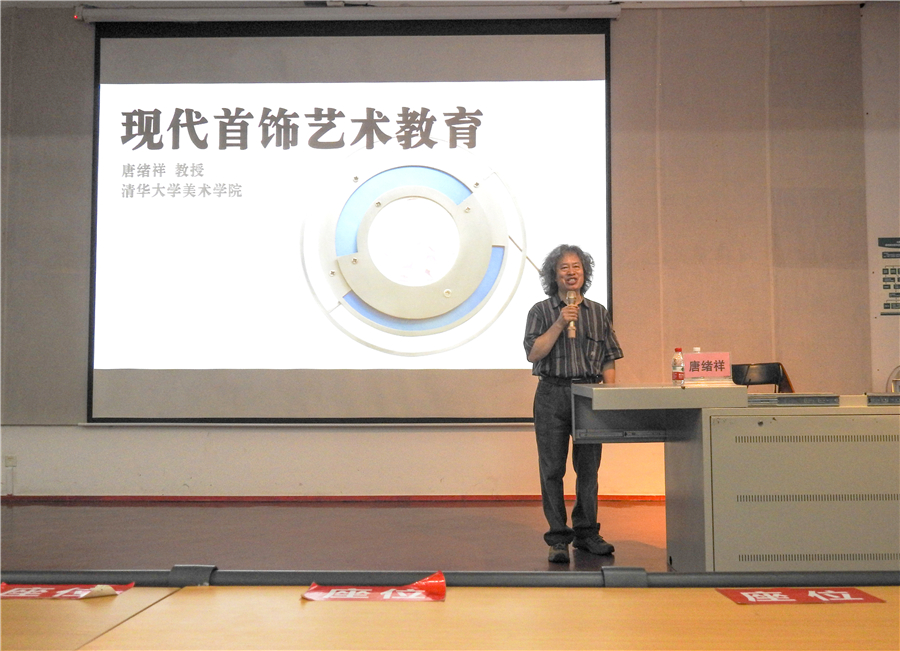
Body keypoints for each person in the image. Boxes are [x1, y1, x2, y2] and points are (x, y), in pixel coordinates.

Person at [523, 244, 623, 563]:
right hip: (551, 395)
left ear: (584, 272)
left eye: (576, 266)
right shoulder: (541, 311)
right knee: (552, 469)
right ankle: (557, 538)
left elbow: (609, 357)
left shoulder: (598, 312)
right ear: (554, 275)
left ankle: (586, 533)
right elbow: (534, 353)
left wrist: (609, 394)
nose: (571, 272)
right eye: (564, 267)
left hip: (589, 394)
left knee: (589, 469)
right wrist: (559, 322)